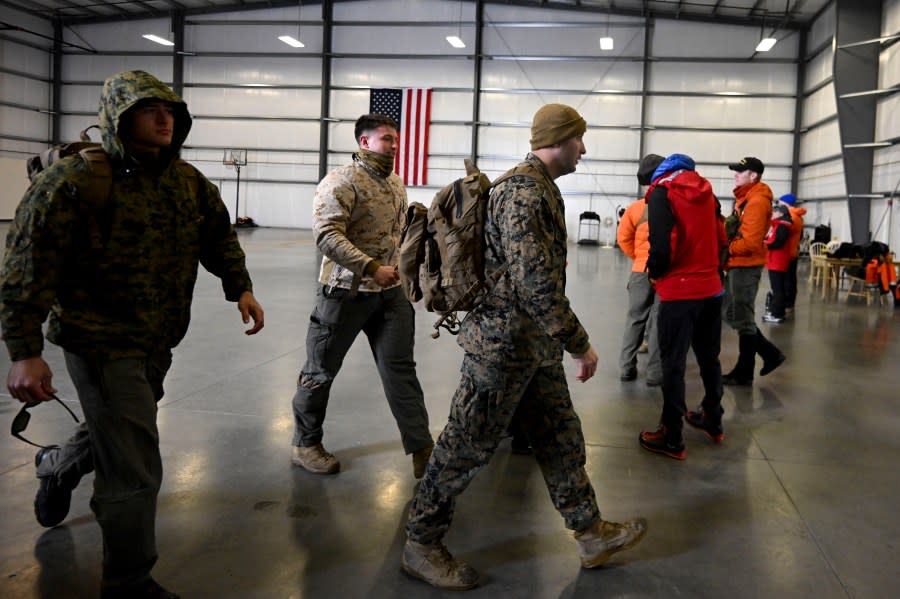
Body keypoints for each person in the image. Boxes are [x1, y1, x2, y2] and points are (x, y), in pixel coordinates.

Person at [0, 70, 265, 599]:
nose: (165, 119)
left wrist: (240, 287)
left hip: (157, 339)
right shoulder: (73, 182)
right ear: (119, 118)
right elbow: (25, 269)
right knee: (135, 466)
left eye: (171, 110)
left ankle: (55, 466)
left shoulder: (187, 182)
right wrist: (25, 352)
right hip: (97, 340)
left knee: (119, 433)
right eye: (150, 110)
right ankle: (128, 580)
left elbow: (218, 236)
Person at [402, 104, 647, 590]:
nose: (584, 149)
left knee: (560, 437)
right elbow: (534, 283)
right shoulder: (522, 194)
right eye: (580, 139)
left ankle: (589, 531)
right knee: (463, 447)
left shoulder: (541, 189)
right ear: (559, 139)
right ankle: (420, 543)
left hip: (532, 349)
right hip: (501, 351)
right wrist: (580, 344)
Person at [290, 114, 434, 477]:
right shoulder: (340, 181)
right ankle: (305, 444)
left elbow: (398, 235)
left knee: (400, 369)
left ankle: (422, 448)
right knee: (320, 372)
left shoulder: (396, 184)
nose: (395, 145)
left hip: (391, 295)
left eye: (396, 139)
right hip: (344, 294)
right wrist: (370, 267)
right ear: (364, 142)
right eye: (387, 138)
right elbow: (327, 235)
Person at [637, 154, 726, 460]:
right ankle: (713, 419)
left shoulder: (662, 193)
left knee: (673, 365)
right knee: (709, 358)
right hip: (712, 289)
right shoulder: (707, 192)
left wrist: (654, 272)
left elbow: (661, 246)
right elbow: (722, 236)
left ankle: (672, 435)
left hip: (679, 292)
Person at [721, 157, 785, 386]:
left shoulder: (756, 201)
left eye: (740, 171)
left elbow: (750, 242)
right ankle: (768, 354)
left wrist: (727, 248)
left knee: (743, 317)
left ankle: (745, 370)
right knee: (731, 313)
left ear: (753, 175)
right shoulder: (746, 198)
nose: (735, 175)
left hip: (745, 266)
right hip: (738, 265)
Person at [617, 154, 664, 386]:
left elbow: (623, 238)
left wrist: (639, 259)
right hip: (665, 272)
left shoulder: (635, 209)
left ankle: (627, 367)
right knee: (659, 322)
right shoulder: (672, 206)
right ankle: (655, 373)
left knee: (635, 319)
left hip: (640, 271)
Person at [762, 205, 793, 324]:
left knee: (777, 288)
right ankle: (777, 311)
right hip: (776, 260)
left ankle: (777, 314)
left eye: (774, 212)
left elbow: (778, 243)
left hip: (777, 261)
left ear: (780, 213)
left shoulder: (783, 226)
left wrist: (764, 244)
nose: (772, 215)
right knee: (777, 287)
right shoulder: (780, 225)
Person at [778, 193, 806, 315]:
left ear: (786, 204)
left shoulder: (792, 217)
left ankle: (788, 303)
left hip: (788, 252)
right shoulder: (797, 216)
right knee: (790, 279)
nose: (778, 205)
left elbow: (785, 234)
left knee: (788, 280)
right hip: (792, 251)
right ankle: (789, 302)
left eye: (780, 203)